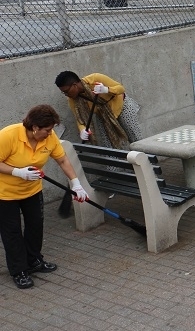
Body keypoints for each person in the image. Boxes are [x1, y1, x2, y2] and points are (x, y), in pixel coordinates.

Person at [0, 105, 89, 289]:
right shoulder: (9, 135)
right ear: (34, 128)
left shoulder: (49, 138)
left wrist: (76, 183)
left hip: (32, 191)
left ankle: (33, 261)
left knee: (35, 226)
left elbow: (62, 160)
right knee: (12, 232)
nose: (50, 134)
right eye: (47, 130)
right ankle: (19, 271)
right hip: (5, 194)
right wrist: (17, 172)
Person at [55, 71, 142, 148]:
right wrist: (82, 130)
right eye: (63, 92)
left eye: (66, 91)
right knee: (109, 146)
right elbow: (79, 118)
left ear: (74, 85)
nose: (65, 94)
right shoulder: (73, 100)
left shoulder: (95, 79)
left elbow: (121, 88)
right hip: (103, 116)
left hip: (122, 106)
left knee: (136, 139)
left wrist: (106, 89)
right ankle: (115, 165)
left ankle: (150, 162)